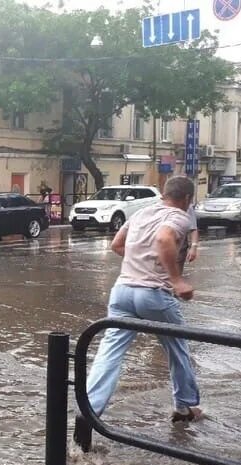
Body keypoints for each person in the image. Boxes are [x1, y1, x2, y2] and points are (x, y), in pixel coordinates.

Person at [74, 176, 201, 449]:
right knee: (177, 348)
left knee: (110, 353)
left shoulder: (142, 212)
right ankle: (183, 407)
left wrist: (138, 263)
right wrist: (176, 279)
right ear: (187, 199)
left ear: (164, 194)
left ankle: (88, 411)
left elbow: (117, 245)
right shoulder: (179, 217)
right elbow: (165, 239)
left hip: (122, 291)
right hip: (154, 295)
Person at [178, 205, 200, 272]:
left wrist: (193, 247)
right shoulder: (155, 205)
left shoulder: (185, 204)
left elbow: (193, 228)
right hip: (158, 247)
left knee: (176, 275)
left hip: (180, 246)